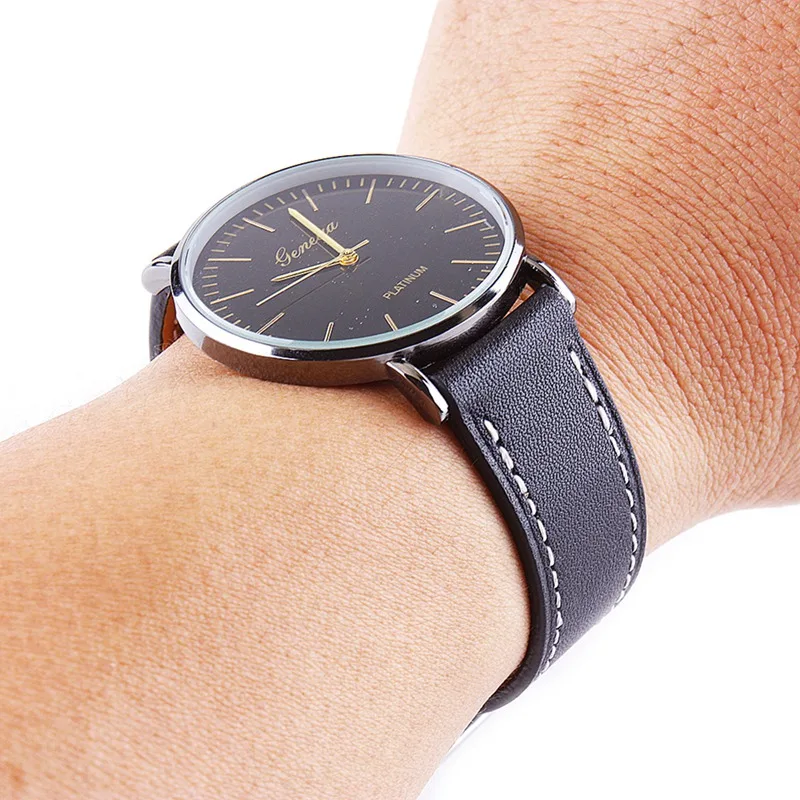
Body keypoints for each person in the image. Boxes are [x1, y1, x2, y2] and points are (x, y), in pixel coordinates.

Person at [2, 0, 797, 797]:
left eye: (344, 247)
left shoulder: (521, 300)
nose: (348, 255)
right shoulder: (464, 352)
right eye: (336, 255)